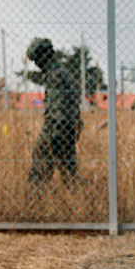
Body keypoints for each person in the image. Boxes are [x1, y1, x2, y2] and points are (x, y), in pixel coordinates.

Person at [25, 37, 84, 185]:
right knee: (69, 174)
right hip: (69, 129)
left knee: (40, 167)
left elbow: (58, 112)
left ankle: (34, 204)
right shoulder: (62, 72)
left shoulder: (55, 76)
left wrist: (52, 137)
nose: (36, 64)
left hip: (57, 130)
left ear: (41, 57)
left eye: (36, 60)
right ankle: (85, 200)